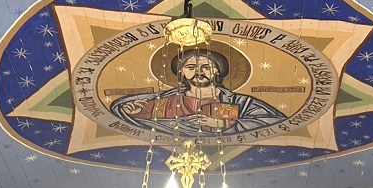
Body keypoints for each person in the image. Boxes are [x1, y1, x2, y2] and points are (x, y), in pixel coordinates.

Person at [109, 47, 286, 139]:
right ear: (181, 72)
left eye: (206, 67)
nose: (199, 72)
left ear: (217, 71)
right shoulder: (166, 102)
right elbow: (130, 115)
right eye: (191, 67)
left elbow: (274, 122)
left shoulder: (239, 102)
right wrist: (132, 111)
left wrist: (222, 124)